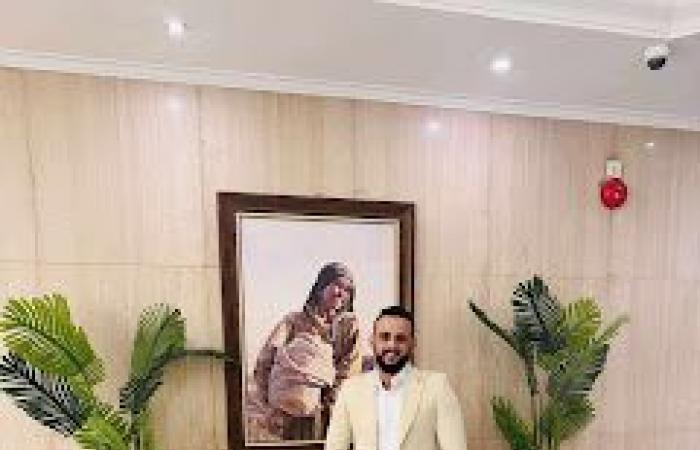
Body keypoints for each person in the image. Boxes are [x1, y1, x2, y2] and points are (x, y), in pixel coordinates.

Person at [246, 262, 365, 442]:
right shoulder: (293, 321)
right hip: (292, 415)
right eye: (336, 285)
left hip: (331, 415)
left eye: (347, 289)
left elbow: (350, 370)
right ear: (321, 287)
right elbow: (265, 362)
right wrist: (269, 407)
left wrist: (329, 404)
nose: (340, 293)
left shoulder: (350, 328)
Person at [324, 305, 468, 450]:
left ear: (412, 344)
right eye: (384, 337)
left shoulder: (437, 387)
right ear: (372, 341)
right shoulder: (351, 390)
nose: (392, 345)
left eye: (400, 339)